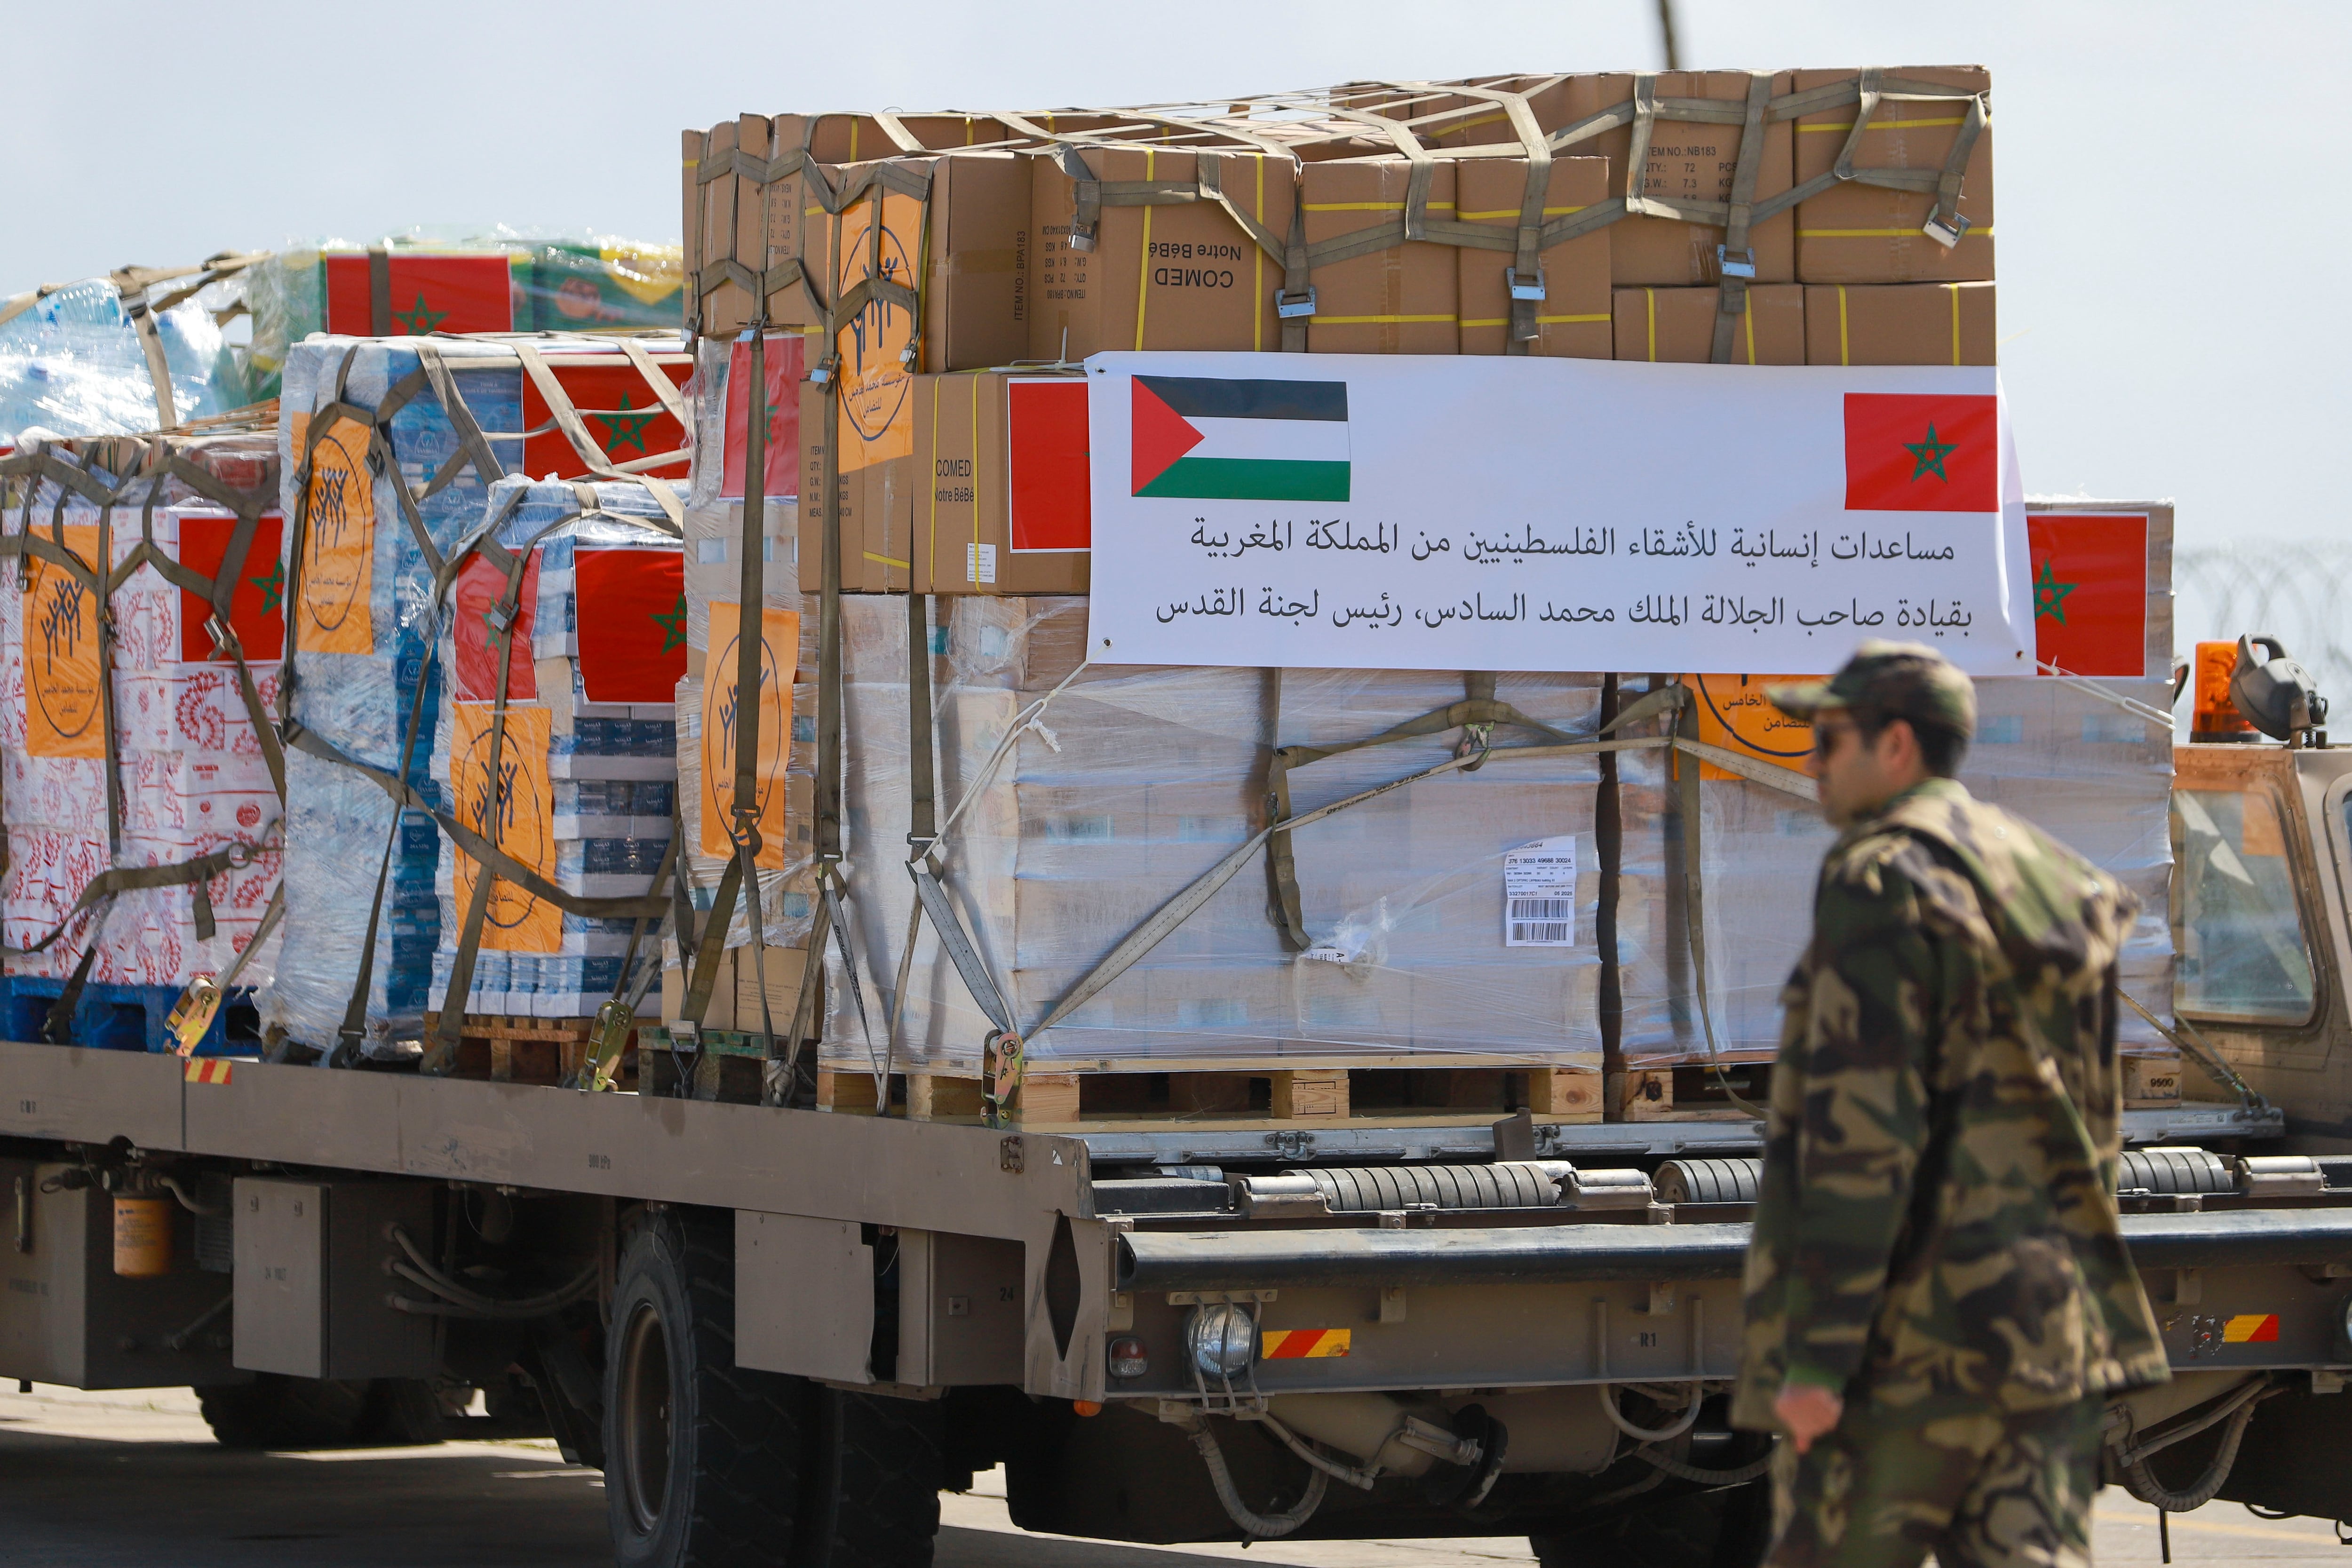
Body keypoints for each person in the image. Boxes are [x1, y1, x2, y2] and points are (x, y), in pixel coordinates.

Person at [1731, 641, 2169, 1568]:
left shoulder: (1881, 875)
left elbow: (1862, 1137)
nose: (1810, 762)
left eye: (1827, 737)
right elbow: (2094, 1118)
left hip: (1909, 1348)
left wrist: (1818, 1359)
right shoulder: (2052, 874)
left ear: (1895, 746)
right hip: (2041, 1330)